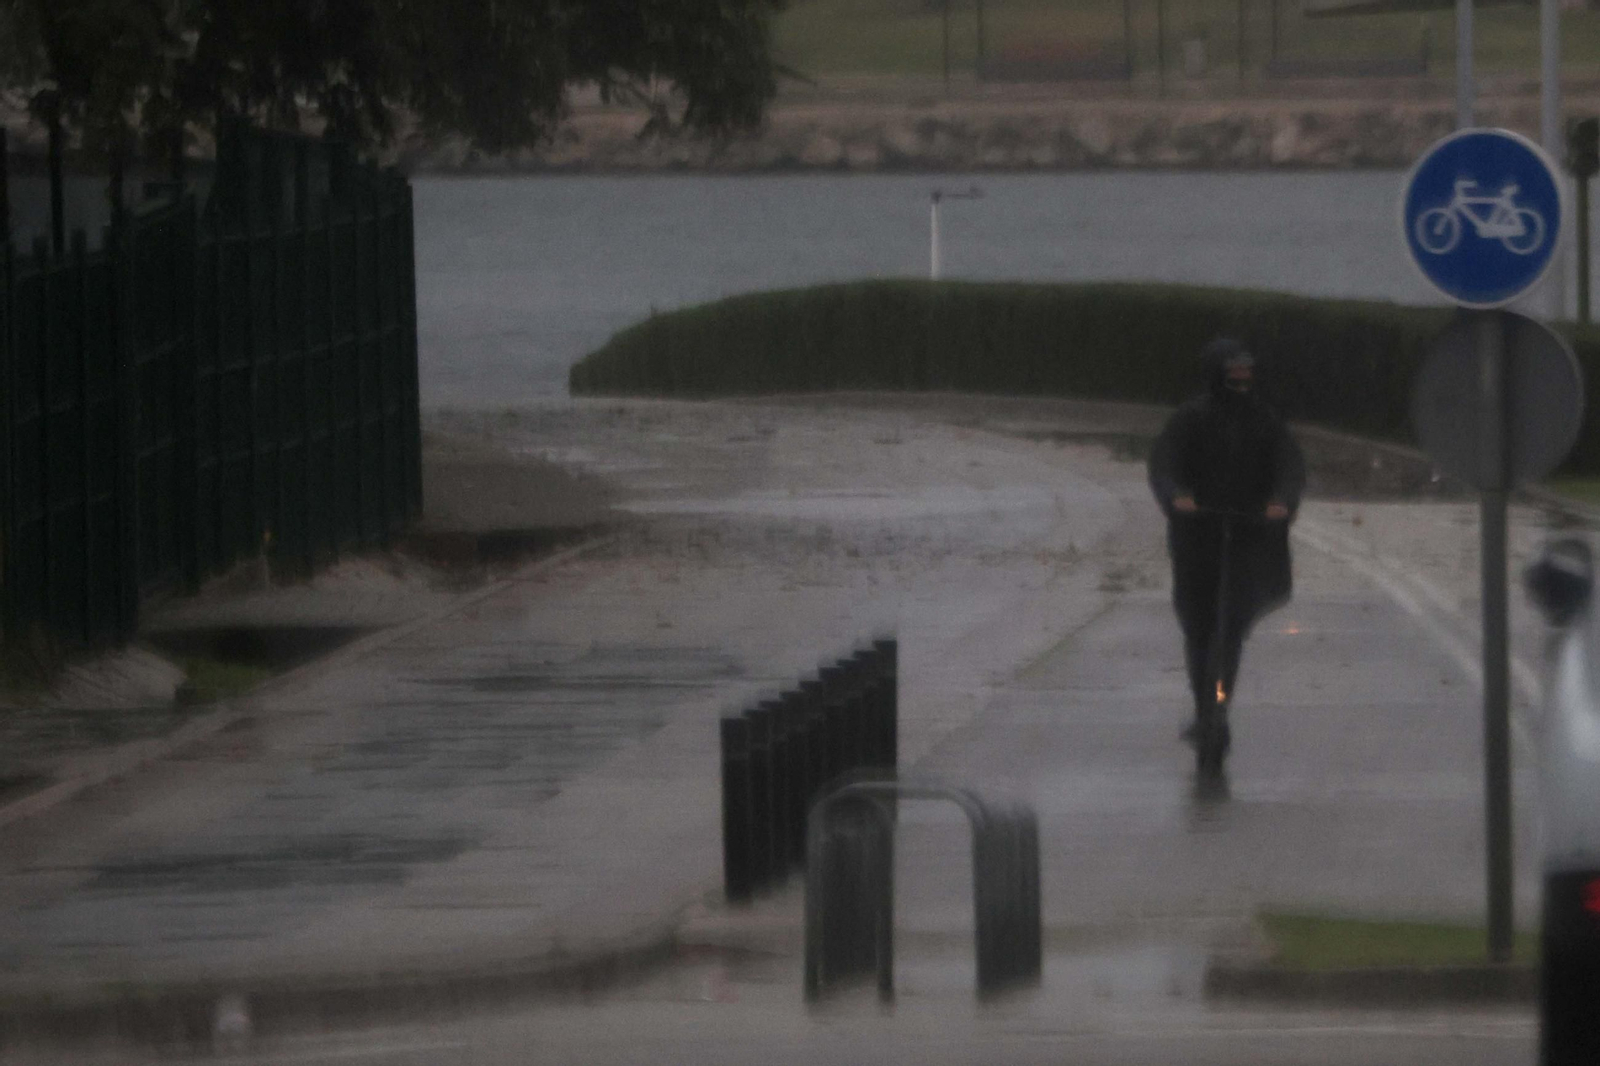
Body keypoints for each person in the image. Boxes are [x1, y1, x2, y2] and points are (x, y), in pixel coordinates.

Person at [1147, 337, 1305, 743]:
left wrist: (1281, 502)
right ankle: (1204, 707)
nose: (1241, 381)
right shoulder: (1190, 419)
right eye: (1233, 374)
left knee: (1231, 628)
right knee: (1199, 627)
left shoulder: (1265, 422)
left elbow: (1289, 465)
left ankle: (1220, 705)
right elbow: (1164, 463)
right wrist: (1177, 495)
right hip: (1197, 537)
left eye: (1246, 374)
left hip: (1247, 536)